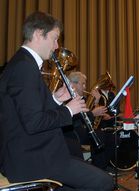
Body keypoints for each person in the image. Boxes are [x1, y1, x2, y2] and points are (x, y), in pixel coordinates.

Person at [0, 12, 113, 191]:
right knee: (105, 182)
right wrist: (69, 110)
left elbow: (29, 112)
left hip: (35, 154)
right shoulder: (24, 67)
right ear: (38, 34)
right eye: (54, 39)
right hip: (32, 160)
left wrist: (55, 99)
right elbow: (34, 122)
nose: (56, 45)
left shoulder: (23, 63)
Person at [63, 71, 107, 159]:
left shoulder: (86, 99)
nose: (85, 87)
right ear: (73, 84)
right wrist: (93, 113)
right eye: (82, 84)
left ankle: (100, 167)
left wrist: (96, 102)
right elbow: (73, 117)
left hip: (85, 130)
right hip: (74, 132)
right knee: (101, 137)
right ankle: (97, 168)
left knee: (111, 138)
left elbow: (95, 121)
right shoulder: (66, 98)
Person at [91, 79, 119, 172]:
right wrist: (103, 116)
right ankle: (99, 166)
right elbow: (91, 109)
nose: (109, 85)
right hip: (97, 125)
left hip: (109, 123)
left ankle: (104, 164)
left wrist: (111, 116)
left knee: (115, 139)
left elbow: (116, 109)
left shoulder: (111, 94)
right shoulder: (95, 93)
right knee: (101, 138)